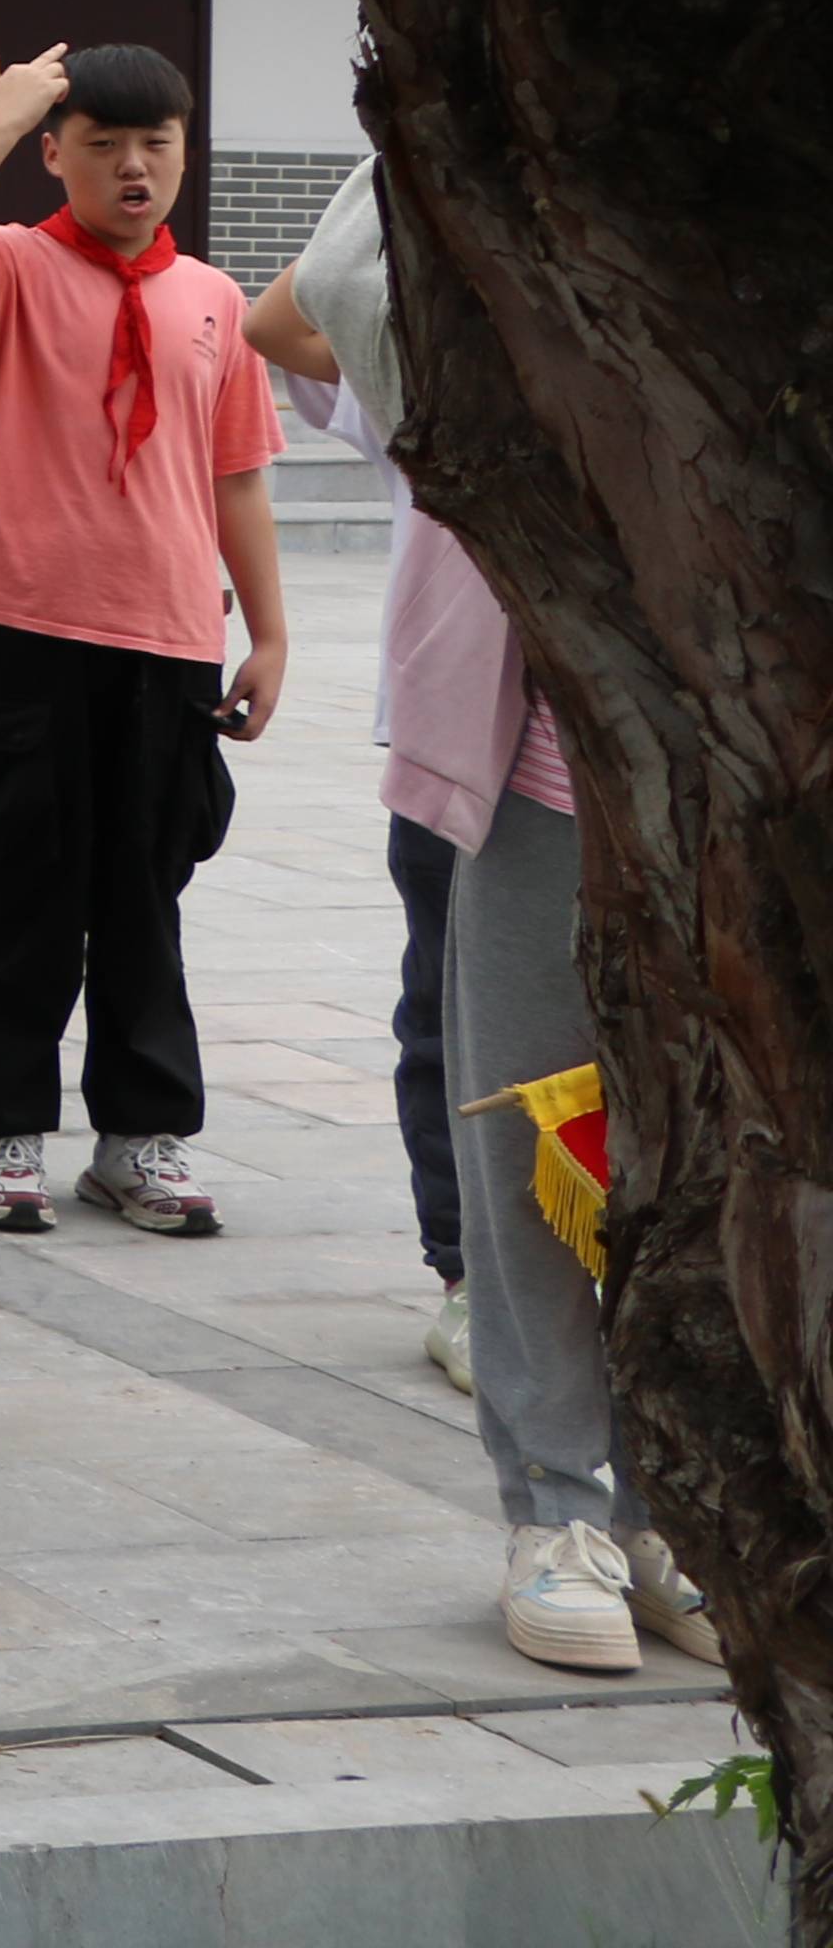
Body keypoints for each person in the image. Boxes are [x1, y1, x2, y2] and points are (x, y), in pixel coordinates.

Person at [252, 169, 716, 1676]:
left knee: (710, 1166)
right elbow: (320, 300)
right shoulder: (488, 229)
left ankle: (676, 1508)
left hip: (745, 785)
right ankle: (559, 1510)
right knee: (534, 1145)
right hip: (544, 777)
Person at [0, 43, 289, 1240]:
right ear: (57, 155)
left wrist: (268, 633)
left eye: (156, 143)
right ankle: (0, 1128)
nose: (133, 167)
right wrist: (0, 121)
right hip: (18, 631)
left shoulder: (212, 298)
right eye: (103, 145)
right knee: (14, 888)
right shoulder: (10, 265)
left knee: (145, 896)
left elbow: (237, 478)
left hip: (169, 642)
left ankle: (139, 1136)